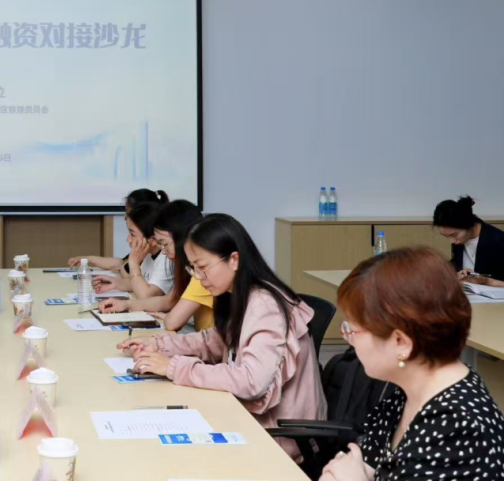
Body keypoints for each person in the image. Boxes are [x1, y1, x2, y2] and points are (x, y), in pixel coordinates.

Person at [122, 214, 324, 459]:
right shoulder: (238, 294)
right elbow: (214, 341)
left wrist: (173, 367)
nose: (198, 277)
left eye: (203, 267)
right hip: (251, 419)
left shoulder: (264, 304)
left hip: (278, 437)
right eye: (192, 268)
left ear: (234, 260)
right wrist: (159, 345)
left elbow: (251, 381)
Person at [320, 247, 504, 481]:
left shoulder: (459, 431)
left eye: (353, 330)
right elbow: (363, 460)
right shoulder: (406, 395)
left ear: (401, 342)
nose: (349, 340)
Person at [98, 200, 212, 331]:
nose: (163, 251)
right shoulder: (186, 268)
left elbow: (172, 321)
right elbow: (169, 300)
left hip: (199, 336)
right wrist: (126, 304)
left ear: (182, 238)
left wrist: (169, 317)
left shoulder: (201, 274)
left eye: (165, 244)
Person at [69, 188, 170, 281]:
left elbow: (128, 273)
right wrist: (88, 259)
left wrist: (124, 269)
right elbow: (121, 263)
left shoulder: (161, 256)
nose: (125, 217)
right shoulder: (146, 250)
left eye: (129, 212)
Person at [433, 195, 504, 286]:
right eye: (446, 236)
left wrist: (487, 281)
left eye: (454, 235)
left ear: (468, 225)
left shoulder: (499, 240)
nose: (452, 241)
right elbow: (457, 265)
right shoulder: (460, 240)